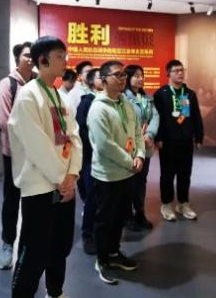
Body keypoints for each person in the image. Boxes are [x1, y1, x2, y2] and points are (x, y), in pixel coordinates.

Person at [8, 35, 82, 298]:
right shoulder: (28, 96)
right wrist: (63, 178)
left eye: (65, 56)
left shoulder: (60, 96)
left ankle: (56, 291)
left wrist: (72, 174)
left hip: (64, 185)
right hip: (40, 187)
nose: (65, 61)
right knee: (34, 251)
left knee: (60, 246)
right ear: (43, 60)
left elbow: (74, 137)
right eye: (60, 56)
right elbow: (36, 145)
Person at [88, 60, 145, 285]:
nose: (123, 78)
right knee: (105, 220)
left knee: (120, 217)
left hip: (127, 173)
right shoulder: (98, 108)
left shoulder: (126, 104)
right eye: (117, 75)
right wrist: (130, 161)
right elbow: (105, 145)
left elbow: (137, 132)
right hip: (107, 175)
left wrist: (140, 155)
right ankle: (102, 260)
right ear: (104, 81)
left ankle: (114, 252)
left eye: (124, 75)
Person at [0, 41, 35, 270]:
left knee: (32, 201)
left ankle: (27, 247)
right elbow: (5, 121)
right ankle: (7, 243)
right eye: (26, 55)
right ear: (17, 58)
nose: (30, 58)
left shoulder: (39, 83)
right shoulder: (7, 84)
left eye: (33, 55)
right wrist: (32, 139)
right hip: (14, 154)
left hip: (37, 156)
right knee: (11, 200)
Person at [154, 59, 203, 222]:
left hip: (186, 141)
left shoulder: (189, 94)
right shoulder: (161, 94)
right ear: (168, 73)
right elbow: (157, 118)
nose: (180, 73)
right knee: (167, 175)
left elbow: (196, 116)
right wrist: (158, 137)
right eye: (176, 70)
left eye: (182, 70)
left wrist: (199, 136)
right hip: (168, 142)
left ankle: (183, 203)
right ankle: (166, 204)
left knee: (185, 174)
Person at [124, 64, 159, 230]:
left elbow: (155, 117)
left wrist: (150, 134)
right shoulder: (123, 98)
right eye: (136, 76)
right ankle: (127, 215)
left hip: (146, 145)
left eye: (142, 75)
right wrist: (138, 137)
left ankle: (140, 213)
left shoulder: (147, 97)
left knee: (141, 181)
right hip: (129, 147)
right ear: (128, 78)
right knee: (128, 181)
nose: (140, 78)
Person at [75, 67, 102, 254]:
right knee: (91, 195)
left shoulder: (112, 101)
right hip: (90, 156)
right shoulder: (86, 102)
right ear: (91, 82)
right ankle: (87, 233)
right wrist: (96, 142)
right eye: (100, 77)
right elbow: (80, 129)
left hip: (107, 158)